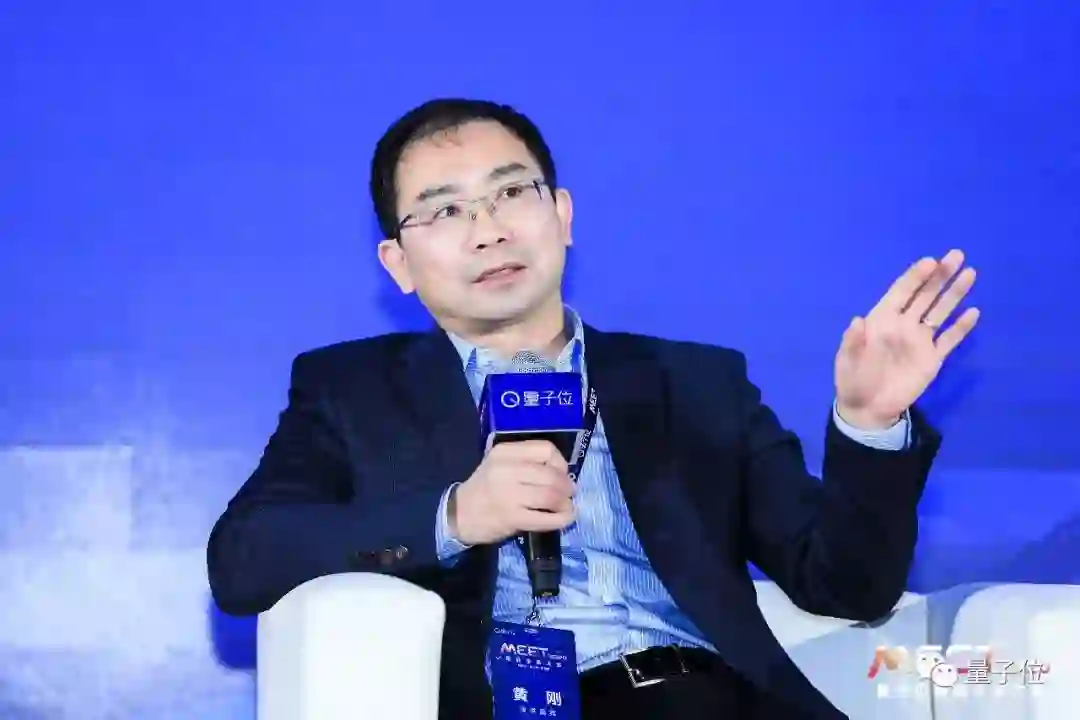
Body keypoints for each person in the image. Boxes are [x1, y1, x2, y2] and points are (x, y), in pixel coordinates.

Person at [206, 98, 979, 719]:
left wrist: (869, 425)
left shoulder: (694, 381)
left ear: (563, 215)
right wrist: (456, 516)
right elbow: (242, 560)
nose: (489, 231)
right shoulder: (351, 390)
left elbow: (849, 588)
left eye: (512, 192)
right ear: (398, 264)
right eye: (445, 212)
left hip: (712, 697)